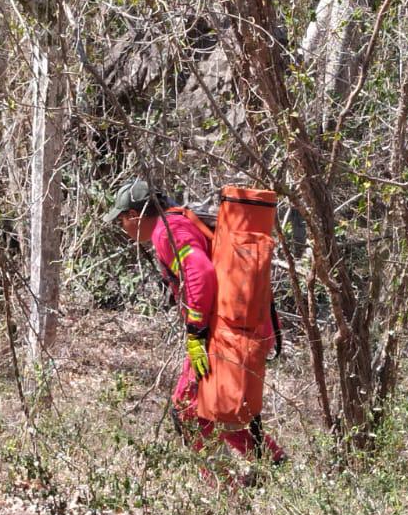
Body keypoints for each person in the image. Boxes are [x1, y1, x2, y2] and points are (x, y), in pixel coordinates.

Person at [105, 178, 284, 467]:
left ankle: (227, 489)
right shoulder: (176, 222)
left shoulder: (167, 232)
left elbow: (200, 271)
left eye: (121, 220)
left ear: (135, 216)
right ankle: (271, 463)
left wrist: (195, 332)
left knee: (188, 411)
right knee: (214, 407)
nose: (121, 227)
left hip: (219, 333)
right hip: (231, 328)